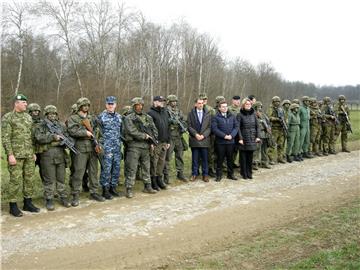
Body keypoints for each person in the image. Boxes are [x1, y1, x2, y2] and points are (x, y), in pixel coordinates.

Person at [2, 94, 40, 217]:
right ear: (16, 103)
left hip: (28, 154)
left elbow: (31, 137)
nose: (26, 104)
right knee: (15, 180)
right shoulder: (8, 117)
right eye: (23, 102)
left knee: (29, 179)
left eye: (26, 102)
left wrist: (33, 152)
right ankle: (13, 205)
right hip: (16, 155)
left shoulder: (28, 118)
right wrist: (10, 155)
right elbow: (6, 138)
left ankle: (27, 203)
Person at [67, 97, 105, 206]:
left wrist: (99, 143)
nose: (86, 107)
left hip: (93, 147)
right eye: (84, 105)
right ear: (79, 106)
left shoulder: (92, 118)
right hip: (80, 148)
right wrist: (85, 133)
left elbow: (99, 132)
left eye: (88, 105)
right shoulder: (73, 118)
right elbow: (72, 131)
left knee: (93, 171)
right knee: (78, 171)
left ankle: (94, 192)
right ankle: (75, 194)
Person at [34, 105, 71, 210]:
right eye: (50, 114)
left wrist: (65, 142)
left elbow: (67, 136)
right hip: (47, 155)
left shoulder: (61, 125)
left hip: (60, 154)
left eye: (54, 114)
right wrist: (53, 137)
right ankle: (49, 199)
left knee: (61, 178)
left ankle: (63, 196)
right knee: (49, 179)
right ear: (46, 115)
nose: (52, 116)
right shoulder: (41, 126)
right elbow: (38, 138)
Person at [123, 97, 157, 198]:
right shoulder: (129, 118)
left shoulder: (147, 117)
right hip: (134, 146)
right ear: (134, 106)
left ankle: (148, 186)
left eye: (141, 105)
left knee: (146, 167)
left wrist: (152, 141)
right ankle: (129, 188)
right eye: (137, 105)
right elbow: (131, 131)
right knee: (132, 168)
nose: (139, 107)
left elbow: (154, 129)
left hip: (146, 146)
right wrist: (144, 136)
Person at [96, 96, 123, 200]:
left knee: (116, 168)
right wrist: (100, 145)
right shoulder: (101, 117)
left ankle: (113, 187)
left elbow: (122, 131)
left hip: (117, 147)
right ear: (106, 105)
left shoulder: (119, 117)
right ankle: (105, 189)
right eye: (109, 104)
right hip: (106, 147)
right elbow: (97, 133)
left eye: (112, 104)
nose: (110, 106)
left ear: (116, 105)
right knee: (106, 169)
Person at [211, 101, 239, 181]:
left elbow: (236, 127)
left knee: (230, 159)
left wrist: (232, 135)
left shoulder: (232, 116)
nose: (225, 108)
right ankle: (218, 175)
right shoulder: (216, 117)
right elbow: (214, 129)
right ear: (219, 108)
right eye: (223, 107)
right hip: (220, 142)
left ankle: (230, 174)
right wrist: (224, 136)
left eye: (226, 106)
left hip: (231, 141)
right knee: (220, 159)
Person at [148, 96, 171, 191]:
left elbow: (168, 127)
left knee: (161, 162)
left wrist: (168, 141)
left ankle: (159, 179)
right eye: (160, 101)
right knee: (154, 162)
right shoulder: (150, 113)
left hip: (164, 142)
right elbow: (149, 129)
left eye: (163, 101)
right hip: (155, 142)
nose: (162, 103)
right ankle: (153, 181)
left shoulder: (165, 112)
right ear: (155, 102)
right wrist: (151, 142)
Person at [164, 94, 188, 183]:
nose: (174, 103)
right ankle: (166, 176)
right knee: (168, 157)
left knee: (180, 156)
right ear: (169, 102)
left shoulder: (179, 111)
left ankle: (180, 173)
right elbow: (163, 121)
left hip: (178, 136)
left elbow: (184, 120)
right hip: (170, 136)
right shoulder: (166, 111)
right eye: (172, 101)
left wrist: (184, 126)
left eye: (175, 101)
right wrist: (170, 121)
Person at [187, 98, 212, 182]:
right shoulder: (191, 114)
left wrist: (203, 135)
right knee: (195, 158)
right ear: (195, 104)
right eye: (199, 103)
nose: (201, 105)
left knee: (205, 158)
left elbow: (209, 127)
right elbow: (189, 126)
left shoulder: (208, 113)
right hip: (195, 139)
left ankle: (205, 174)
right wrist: (196, 134)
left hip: (204, 139)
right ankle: (194, 173)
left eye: (202, 103)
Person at [237, 98, 260, 179]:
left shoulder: (254, 114)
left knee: (250, 157)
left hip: (252, 137)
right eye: (246, 104)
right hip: (243, 138)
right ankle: (244, 173)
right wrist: (240, 138)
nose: (248, 105)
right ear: (243, 105)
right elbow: (238, 128)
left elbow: (257, 126)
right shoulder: (239, 114)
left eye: (249, 104)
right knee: (243, 157)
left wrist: (258, 136)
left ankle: (249, 173)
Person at [28, 103, 45, 182]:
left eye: (37, 111)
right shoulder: (27, 122)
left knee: (44, 171)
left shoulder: (43, 122)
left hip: (42, 150)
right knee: (29, 172)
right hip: (31, 150)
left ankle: (47, 188)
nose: (36, 113)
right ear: (30, 112)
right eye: (34, 111)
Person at [267, 96, 287, 164]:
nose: (277, 103)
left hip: (281, 128)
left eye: (278, 101)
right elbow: (269, 118)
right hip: (274, 129)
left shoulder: (281, 109)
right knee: (272, 144)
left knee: (281, 144)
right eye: (276, 102)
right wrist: (277, 119)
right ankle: (270, 158)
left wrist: (284, 121)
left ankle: (280, 157)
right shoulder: (271, 109)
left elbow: (284, 117)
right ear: (273, 102)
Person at [253, 101, 272, 169]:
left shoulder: (263, 115)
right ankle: (255, 163)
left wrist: (268, 128)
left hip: (265, 134)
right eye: (258, 107)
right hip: (258, 133)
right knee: (257, 149)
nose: (259, 108)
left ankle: (264, 162)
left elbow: (268, 122)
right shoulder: (253, 115)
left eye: (260, 106)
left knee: (264, 149)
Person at [228, 96, 241, 168]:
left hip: (238, 132)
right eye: (236, 100)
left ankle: (233, 162)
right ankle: (227, 164)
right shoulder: (229, 109)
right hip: (231, 131)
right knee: (230, 149)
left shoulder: (240, 109)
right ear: (233, 101)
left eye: (239, 100)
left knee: (236, 148)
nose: (238, 102)